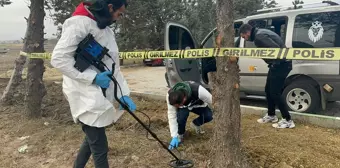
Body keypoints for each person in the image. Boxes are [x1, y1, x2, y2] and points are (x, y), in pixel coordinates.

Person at [51, 1, 136, 167]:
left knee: (92, 138)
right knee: (99, 146)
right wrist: (92, 78)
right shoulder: (78, 24)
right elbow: (59, 59)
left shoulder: (107, 31)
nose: (118, 18)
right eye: (119, 13)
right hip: (83, 93)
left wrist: (123, 94)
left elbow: (113, 67)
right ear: (110, 7)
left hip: (96, 92)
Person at [239, 23, 295, 129]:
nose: (245, 39)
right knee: (268, 90)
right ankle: (271, 115)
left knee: (275, 92)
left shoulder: (259, 37)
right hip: (278, 64)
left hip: (281, 65)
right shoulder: (260, 33)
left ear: (247, 32)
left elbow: (275, 49)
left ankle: (288, 120)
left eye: (244, 36)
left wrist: (275, 64)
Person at [166, 81, 213, 150]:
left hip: (197, 104)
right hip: (184, 107)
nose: (176, 107)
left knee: (209, 115)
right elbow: (172, 115)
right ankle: (180, 135)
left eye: (177, 106)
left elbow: (212, 101)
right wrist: (174, 136)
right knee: (181, 118)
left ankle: (196, 124)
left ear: (184, 99)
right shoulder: (170, 96)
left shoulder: (198, 90)